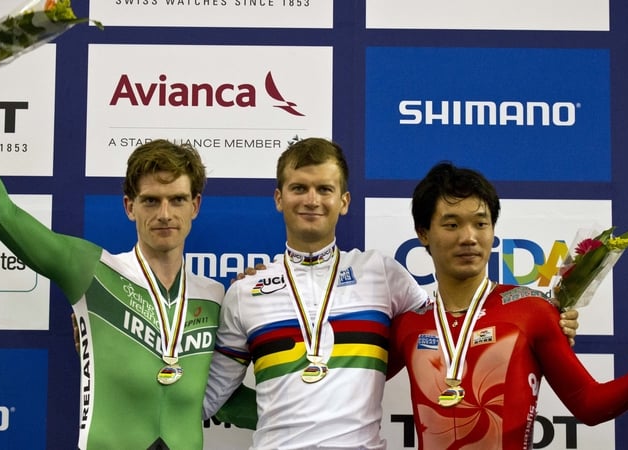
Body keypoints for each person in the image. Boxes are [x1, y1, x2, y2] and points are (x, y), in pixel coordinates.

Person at [0, 57, 253, 450]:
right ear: (129, 206)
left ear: (196, 206)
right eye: (151, 201)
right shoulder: (91, 270)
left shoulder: (215, 296)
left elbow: (217, 400)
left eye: (177, 199)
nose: (165, 214)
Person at [202, 138, 580, 449]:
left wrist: (546, 324)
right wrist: (277, 411)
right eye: (299, 188)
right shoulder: (246, 291)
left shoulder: (380, 272)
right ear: (278, 198)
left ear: (344, 201)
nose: (312, 200)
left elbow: (446, 329)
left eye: (325, 189)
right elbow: (211, 395)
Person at [387, 162, 628, 449]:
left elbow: (588, 403)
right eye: (451, 225)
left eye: (481, 223)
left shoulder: (532, 311)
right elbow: (351, 385)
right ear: (423, 233)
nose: (469, 237)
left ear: (493, 231)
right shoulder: (408, 324)